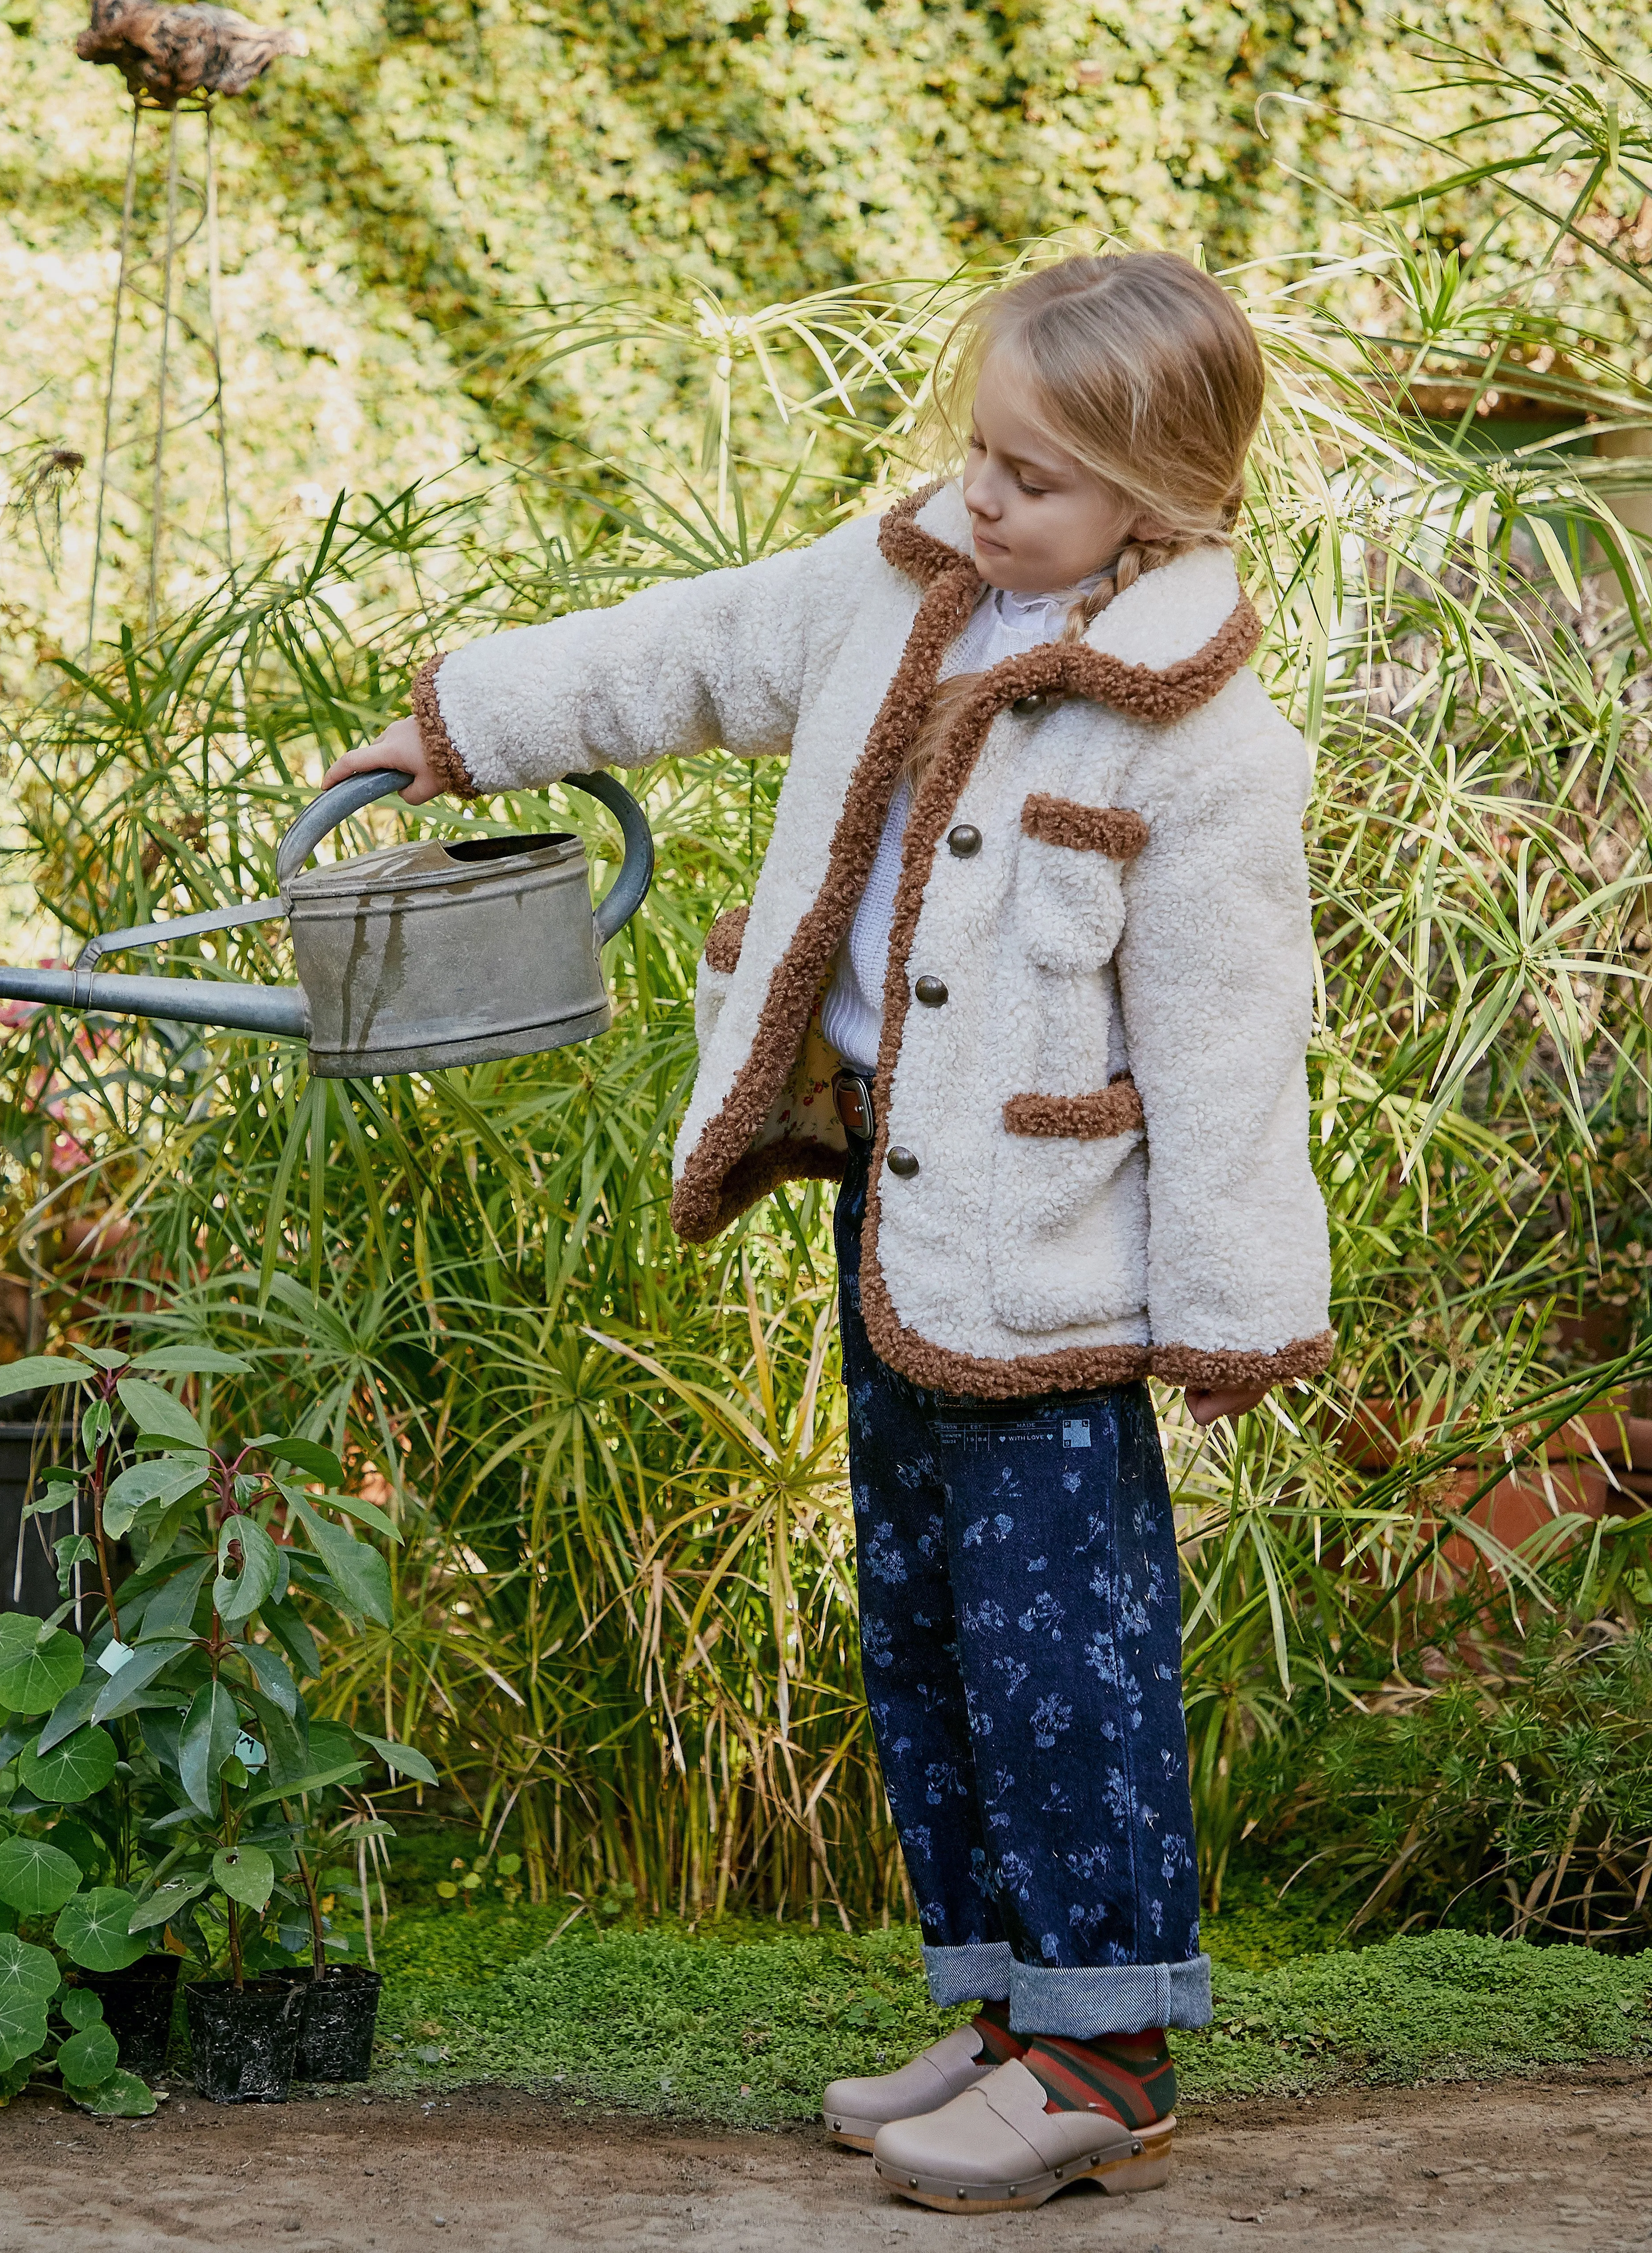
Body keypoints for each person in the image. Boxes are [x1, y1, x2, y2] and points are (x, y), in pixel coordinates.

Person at [324, 251, 1331, 2215]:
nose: (981, 498)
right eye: (978, 452)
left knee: (1065, 1649)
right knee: (931, 1631)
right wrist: (458, 724)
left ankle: (1101, 2050)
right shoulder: (890, 588)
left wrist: (1232, 1317)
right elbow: (683, 648)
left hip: (1052, 1264)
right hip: (891, 1202)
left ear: (1163, 497)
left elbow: (1229, 1046)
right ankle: (994, 2000)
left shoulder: (1202, 744)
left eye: (1031, 477)